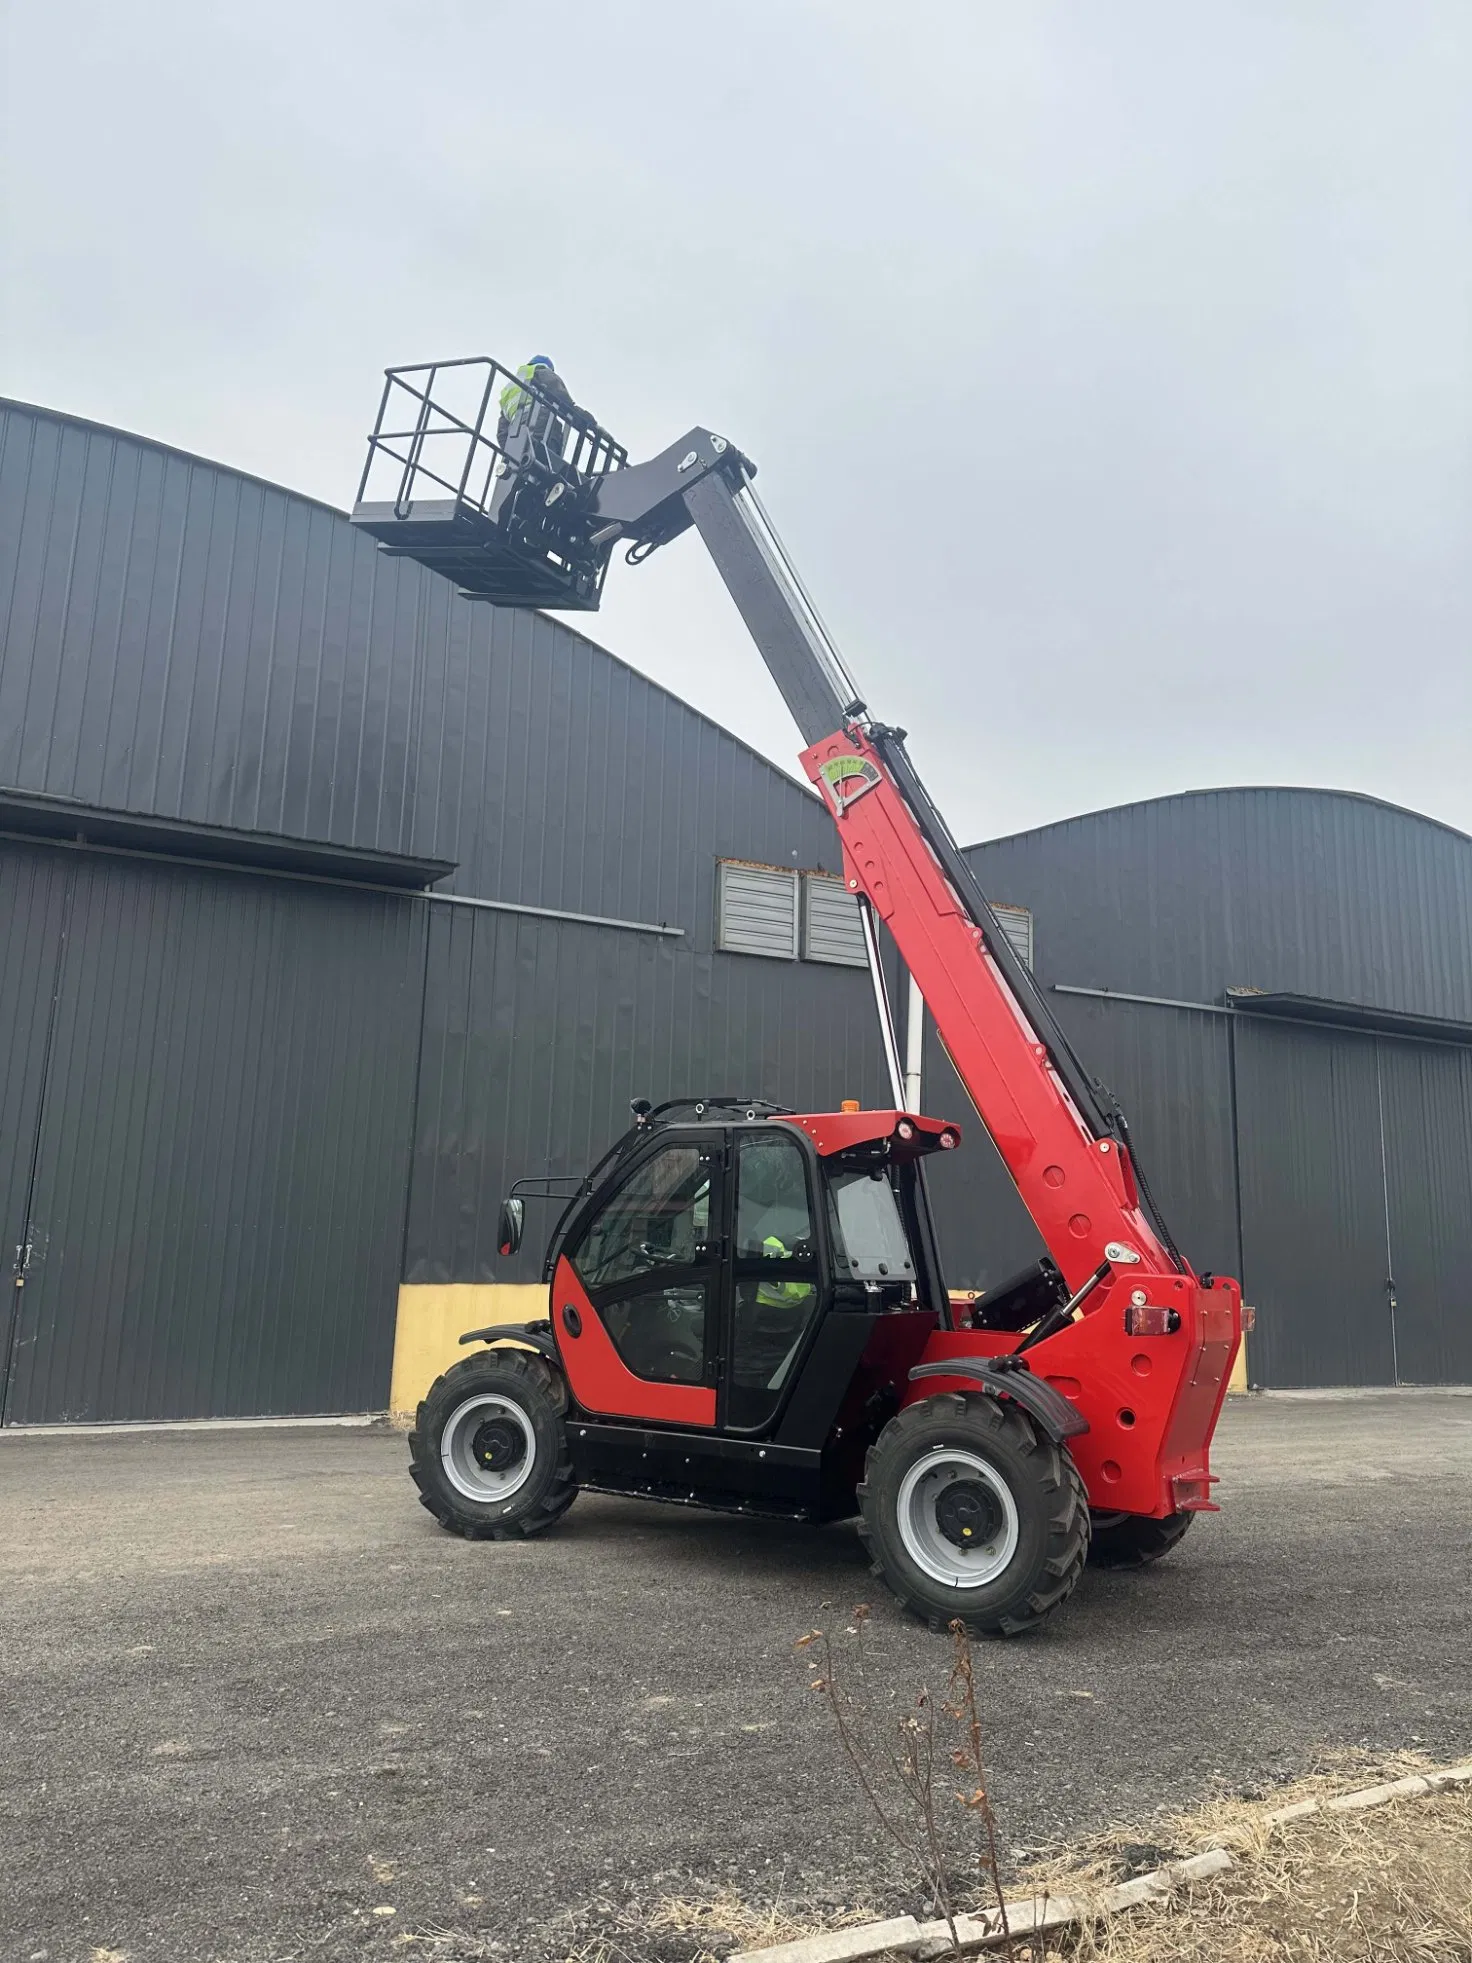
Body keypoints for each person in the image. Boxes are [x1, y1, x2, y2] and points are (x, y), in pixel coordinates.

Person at [495, 354, 580, 452]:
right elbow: (561, 398)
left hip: (515, 430)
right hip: (538, 420)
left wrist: (509, 453)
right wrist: (582, 417)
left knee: (525, 459)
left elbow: (502, 432)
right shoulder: (541, 370)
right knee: (547, 450)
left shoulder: (510, 388)